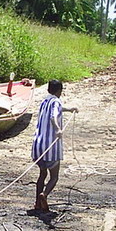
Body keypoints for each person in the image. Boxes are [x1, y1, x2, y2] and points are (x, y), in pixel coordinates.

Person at [31, 80, 78, 211]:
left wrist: (69, 109)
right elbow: (53, 116)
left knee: (42, 175)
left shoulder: (44, 101)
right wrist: (58, 129)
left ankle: (37, 203)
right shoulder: (56, 101)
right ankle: (44, 195)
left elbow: (56, 110)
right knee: (54, 177)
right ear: (60, 91)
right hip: (50, 146)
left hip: (38, 145)